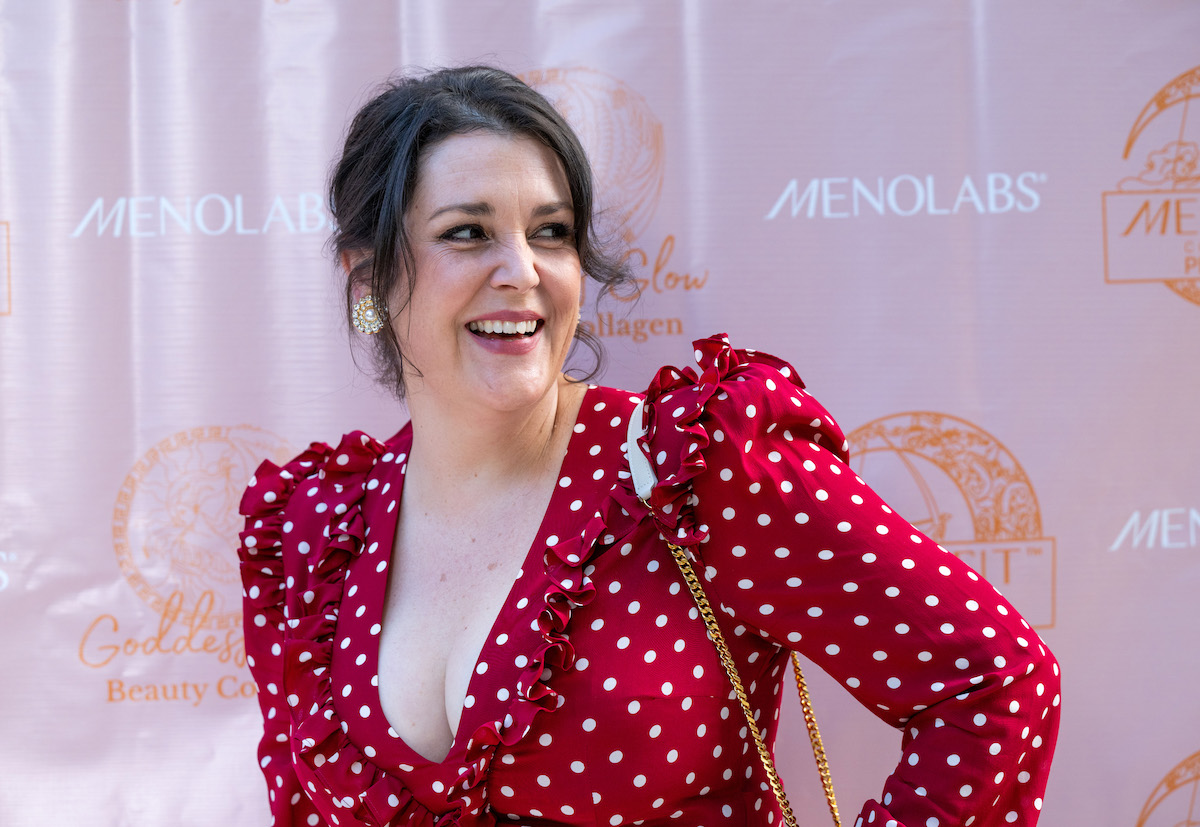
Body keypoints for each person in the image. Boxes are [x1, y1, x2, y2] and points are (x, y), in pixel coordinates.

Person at [237, 65, 1060, 827]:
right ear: (368, 280)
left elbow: (997, 685)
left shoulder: (697, 466)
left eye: (551, 232)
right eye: (468, 232)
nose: (522, 269)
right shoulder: (312, 531)